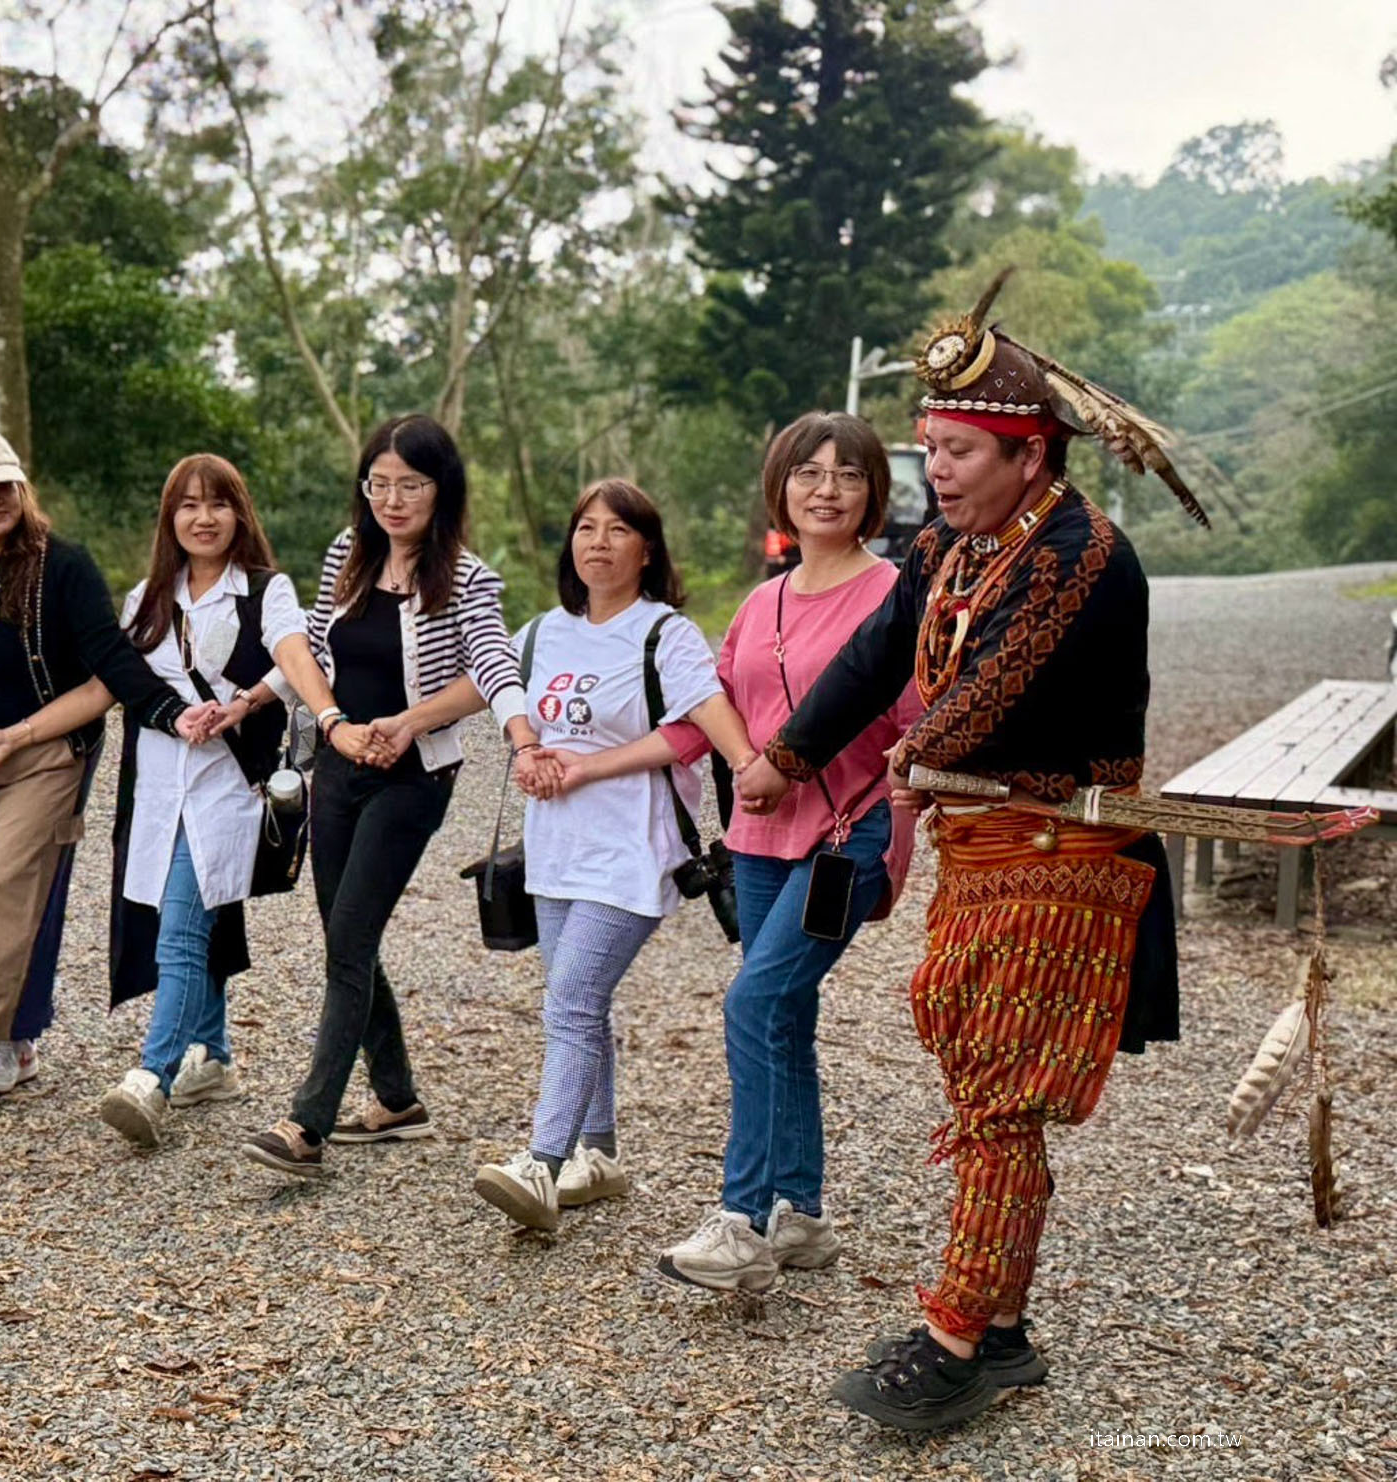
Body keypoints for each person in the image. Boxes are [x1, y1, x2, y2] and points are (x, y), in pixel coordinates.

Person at [734, 277, 1188, 1431]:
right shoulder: (948, 543)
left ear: (1029, 456)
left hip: (1062, 860)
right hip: (981, 854)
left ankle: (956, 1338)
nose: (934, 471)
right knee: (982, 1085)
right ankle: (999, 1329)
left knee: (997, 1100)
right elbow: (877, 654)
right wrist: (786, 754)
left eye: (960, 451)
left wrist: (911, 758)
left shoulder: (1082, 556)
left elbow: (990, 691)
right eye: (929, 447)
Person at [654, 413, 921, 1290]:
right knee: (784, 1015)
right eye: (809, 472)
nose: (827, 490)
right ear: (782, 486)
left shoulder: (893, 596)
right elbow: (710, 711)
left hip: (848, 836)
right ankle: (799, 1215)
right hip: (761, 836)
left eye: (848, 475)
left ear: (874, 493)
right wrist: (574, 763)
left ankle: (740, 1219)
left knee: (752, 1003)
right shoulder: (761, 601)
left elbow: (916, 728)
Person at [239, 414, 544, 1178]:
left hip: (412, 780)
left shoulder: (467, 578)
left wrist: (433, 725)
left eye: (410, 484)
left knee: (348, 940)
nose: (392, 500)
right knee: (348, 936)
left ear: (442, 490)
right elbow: (312, 650)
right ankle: (398, 1098)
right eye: (379, 484)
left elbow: (493, 667)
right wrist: (261, 703)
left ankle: (307, 1124)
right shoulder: (347, 554)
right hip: (339, 764)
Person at [0, 428, 219, 1102]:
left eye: (3, 486)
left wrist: (171, 713)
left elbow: (110, 664)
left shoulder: (64, 567)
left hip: (45, 752)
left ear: (21, 487)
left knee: (8, 886)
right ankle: (13, 1043)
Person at [469, 479, 746, 1232]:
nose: (598, 542)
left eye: (618, 529)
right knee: (578, 1003)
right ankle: (599, 1154)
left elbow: (696, 727)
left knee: (571, 1000)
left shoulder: (665, 634)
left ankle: (542, 1163)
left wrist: (589, 767)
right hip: (556, 849)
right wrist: (518, 747)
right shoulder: (543, 632)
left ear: (646, 549)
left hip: (632, 849)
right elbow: (491, 688)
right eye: (586, 528)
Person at [94, 453, 348, 1147]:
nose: (203, 518)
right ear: (169, 517)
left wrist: (250, 701)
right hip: (157, 786)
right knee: (190, 919)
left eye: (217, 503)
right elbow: (123, 681)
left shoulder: (266, 590)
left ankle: (151, 1076)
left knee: (180, 928)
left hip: (227, 785)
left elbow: (296, 654)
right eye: (188, 505)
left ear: (240, 513)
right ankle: (212, 1056)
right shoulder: (146, 597)